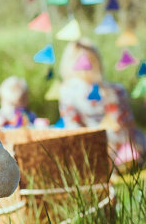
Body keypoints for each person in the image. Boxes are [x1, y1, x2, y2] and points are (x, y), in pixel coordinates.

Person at [58, 38, 146, 167]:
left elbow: (73, 128)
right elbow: (128, 124)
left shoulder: (67, 91)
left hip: (99, 149)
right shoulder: (115, 90)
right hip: (110, 148)